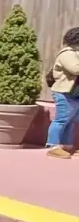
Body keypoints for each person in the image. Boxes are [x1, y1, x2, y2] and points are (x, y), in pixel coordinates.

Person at [44, 26, 79, 157]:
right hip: (64, 92)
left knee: (71, 120)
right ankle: (53, 146)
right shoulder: (67, 53)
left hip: (74, 94)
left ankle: (67, 146)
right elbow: (75, 69)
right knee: (61, 119)